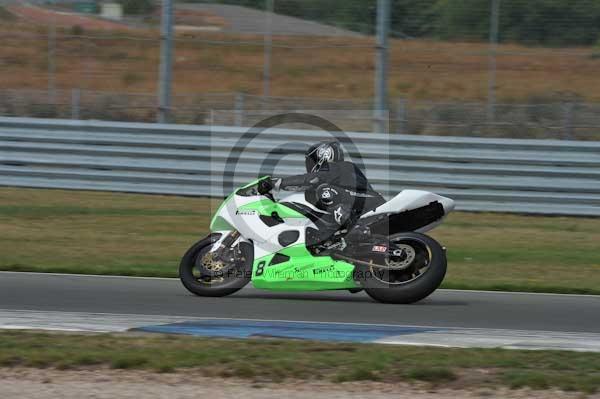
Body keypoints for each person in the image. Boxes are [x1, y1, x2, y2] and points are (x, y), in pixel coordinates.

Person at [260, 141, 385, 245]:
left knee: (325, 191)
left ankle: (353, 228)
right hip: (361, 203)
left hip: (368, 202)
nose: (309, 166)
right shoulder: (338, 175)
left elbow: (309, 179)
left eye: (311, 162)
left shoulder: (336, 167)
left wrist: (278, 183)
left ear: (322, 157)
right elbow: (306, 186)